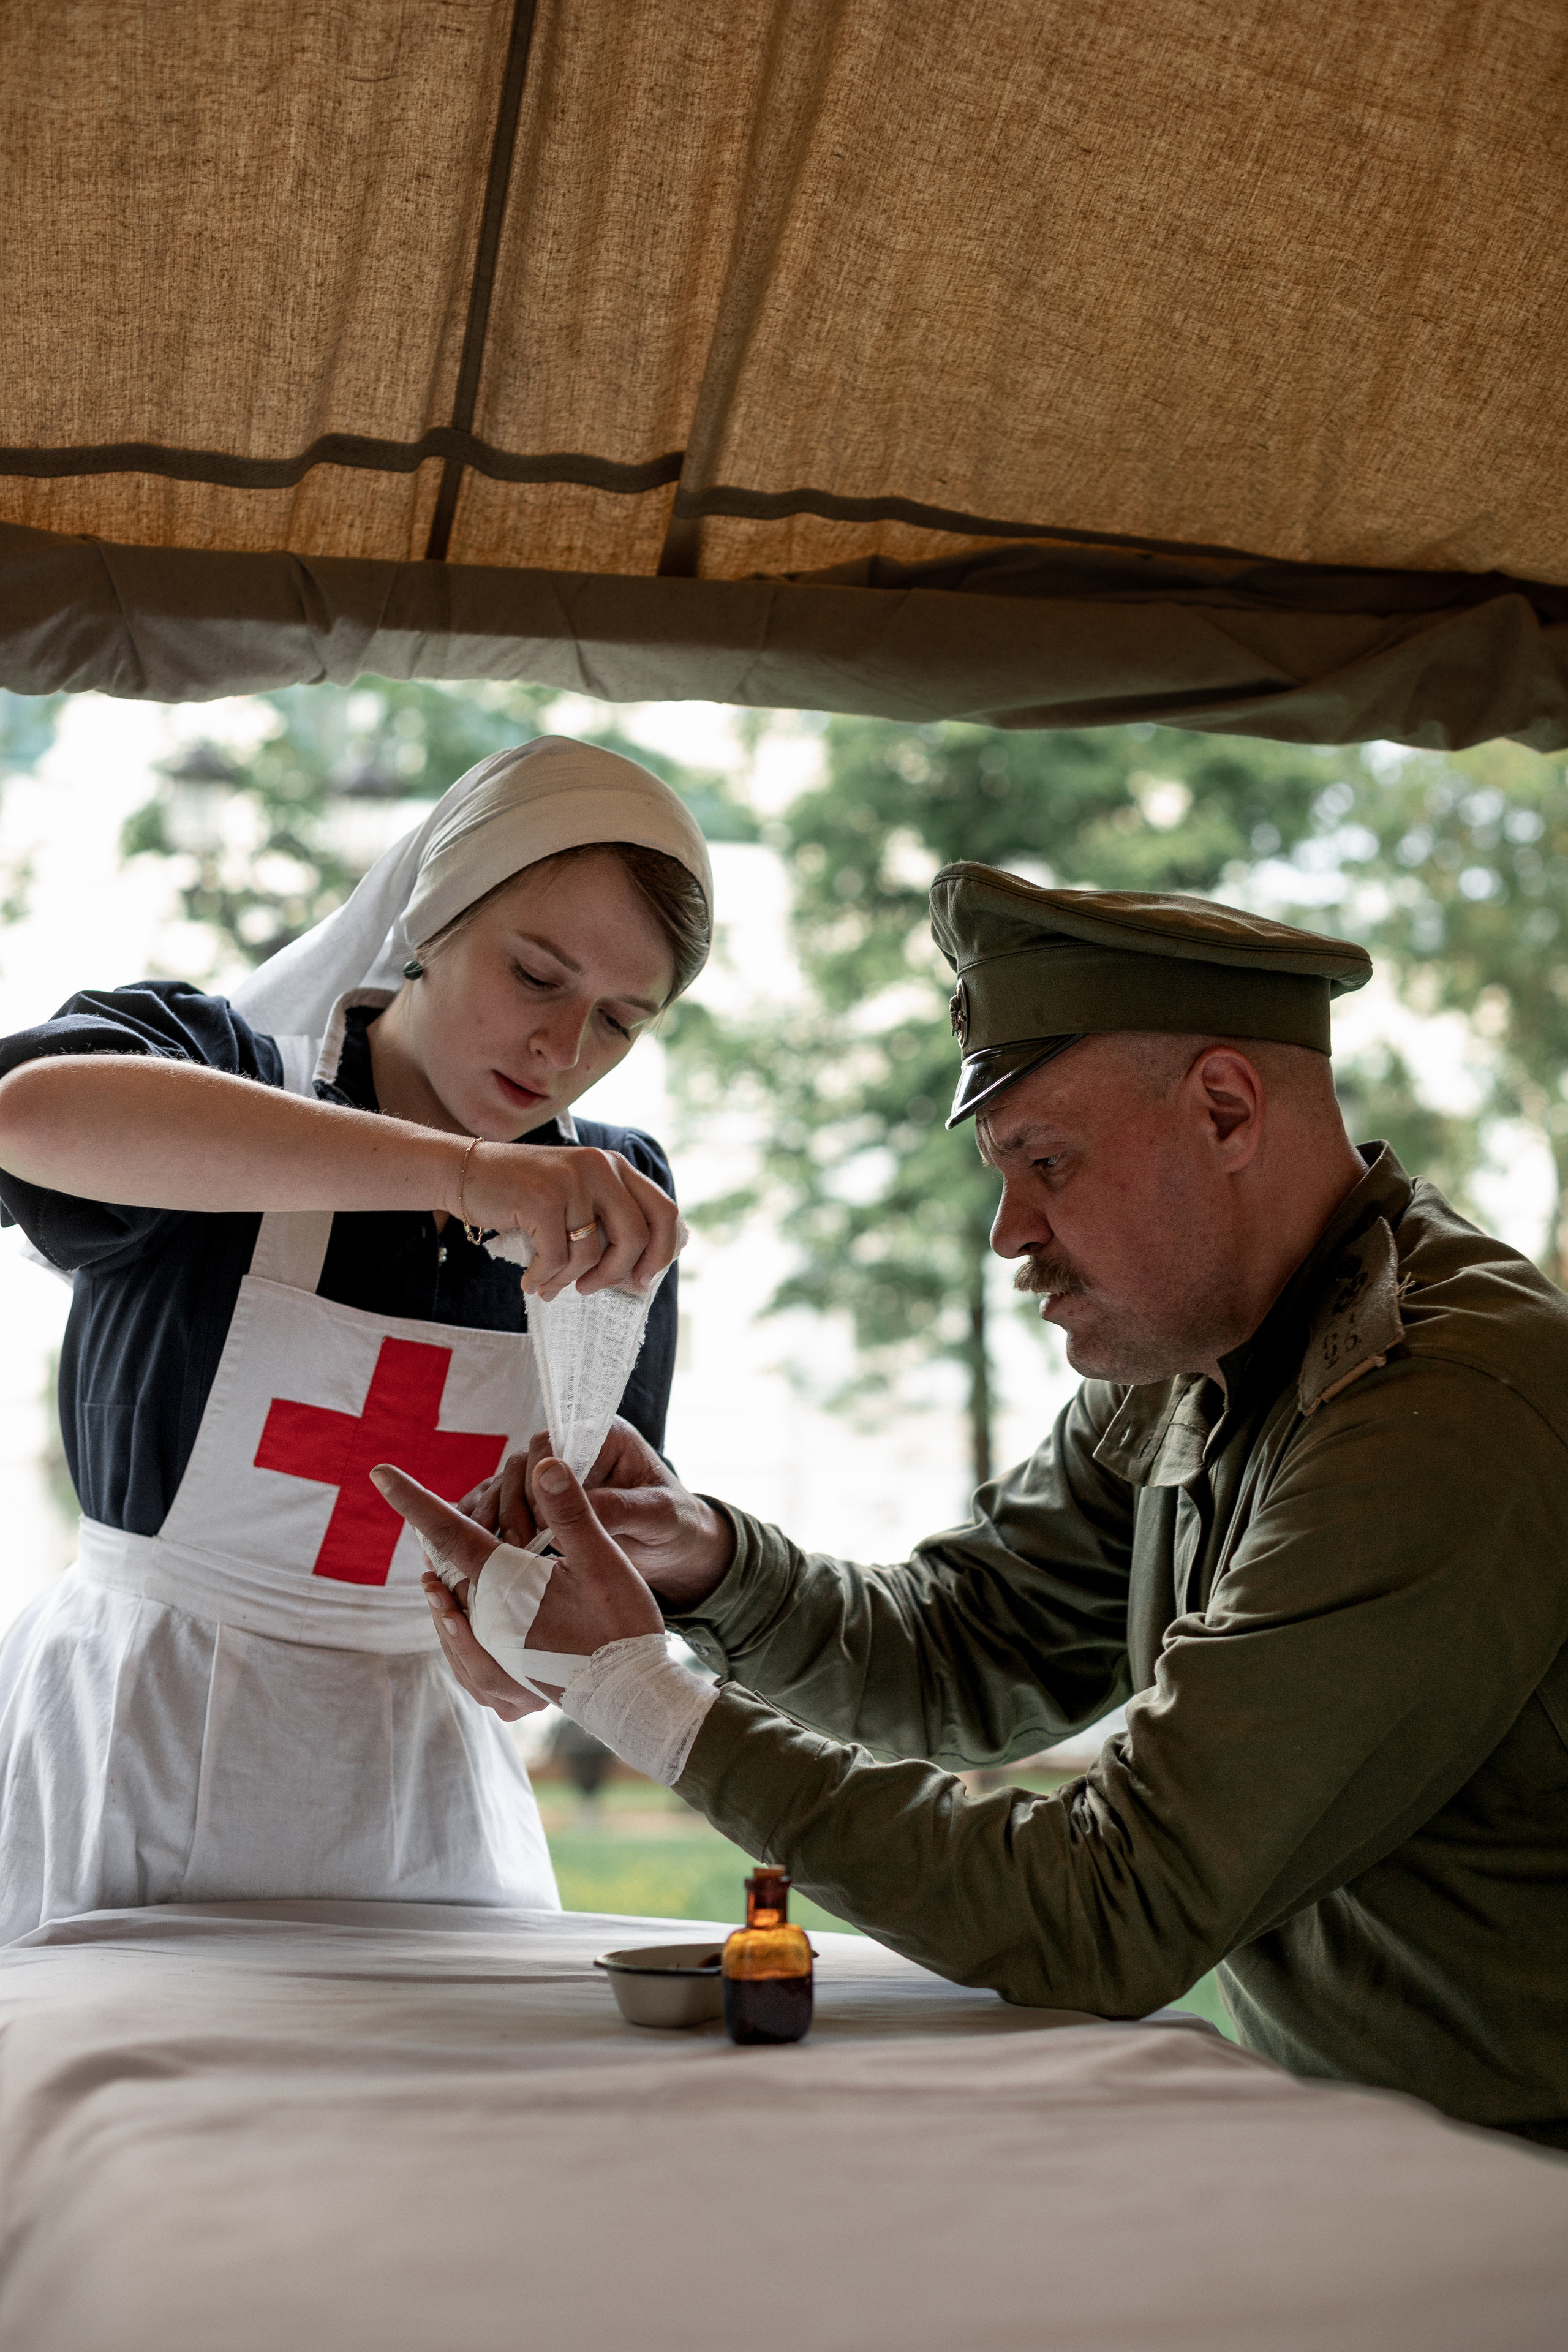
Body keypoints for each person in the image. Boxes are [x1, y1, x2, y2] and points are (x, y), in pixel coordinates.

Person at [382, 869, 1568, 2150]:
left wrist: (630, 1690)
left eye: (1046, 1162)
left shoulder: (1443, 1407)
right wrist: (707, 1566)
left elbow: (1110, 1908)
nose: (1008, 1234)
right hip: (1383, 2162)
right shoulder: (1215, 1345)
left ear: (1225, 1110)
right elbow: (964, 1648)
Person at [0, 735, 711, 1936]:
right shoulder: (217, 1067)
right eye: (536, 975)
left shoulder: (613, 1197)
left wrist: (536, 1647)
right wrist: (465, 1174)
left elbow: (590, 1523)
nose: (561, 1052)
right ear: (430, 916)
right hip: (138, 1734)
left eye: (618, 1022)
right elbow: (28, 1116)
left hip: (424, 1781)